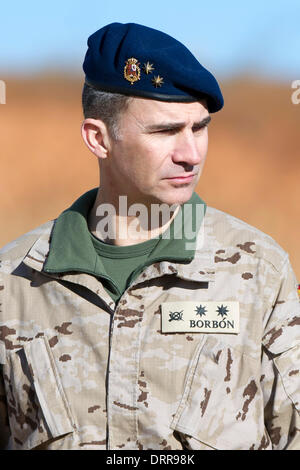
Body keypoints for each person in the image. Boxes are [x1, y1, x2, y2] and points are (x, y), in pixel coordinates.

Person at [0, 22, 299, 451]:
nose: (190, 154)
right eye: (165, 131)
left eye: (199, 128)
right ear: (99, 139)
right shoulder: (14, 283)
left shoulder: (260, 273)